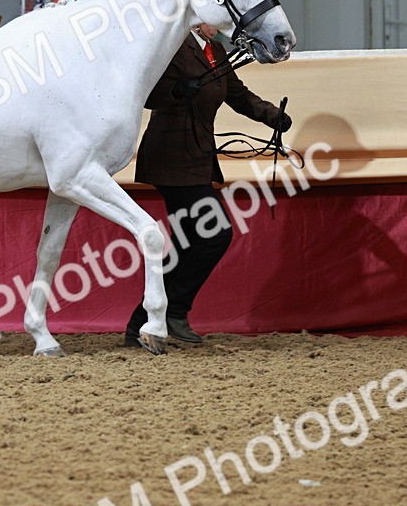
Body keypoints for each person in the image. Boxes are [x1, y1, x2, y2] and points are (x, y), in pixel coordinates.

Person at [124, 23, 291, 347]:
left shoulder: (215, 51)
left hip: (197, 158)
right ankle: (168, 314)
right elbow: (146, 92)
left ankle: (146, 322)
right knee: (214, 234)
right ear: (198, 18)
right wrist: (175, 91)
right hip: (170, 158)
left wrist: (272, 116)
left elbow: (237, 94)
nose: (225, 26)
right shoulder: (173, 44)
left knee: (191, 242)